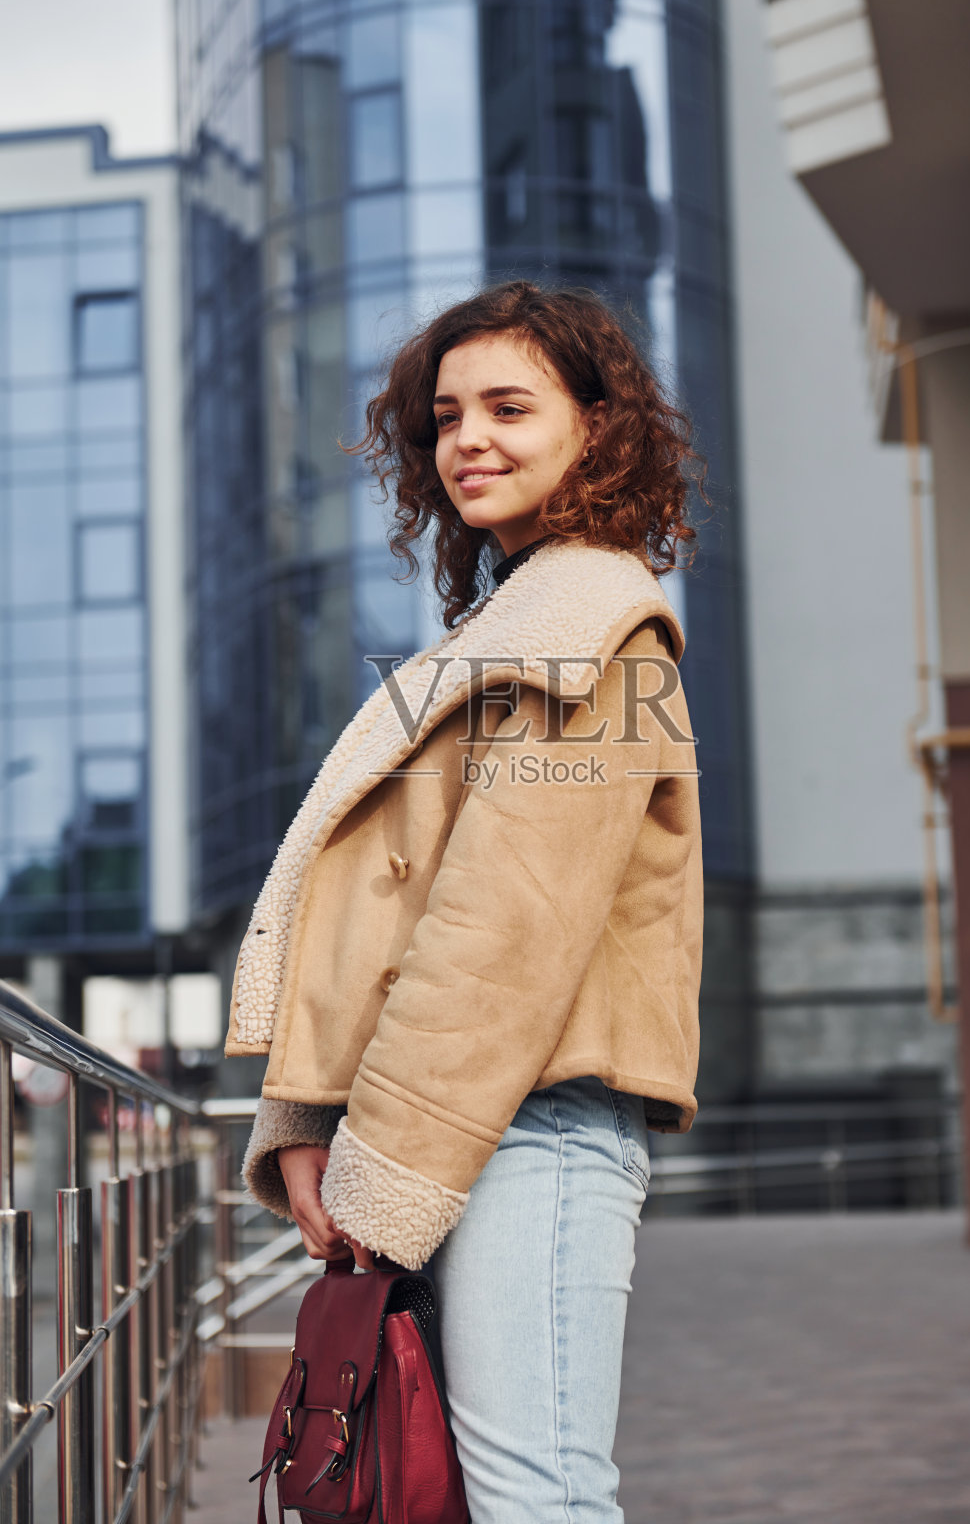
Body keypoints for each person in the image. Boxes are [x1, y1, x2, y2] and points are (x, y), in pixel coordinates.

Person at [228, 279, 704, 1521]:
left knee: (531, 1495)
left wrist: (379, 1173)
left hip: (524, 1124)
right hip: (453, 1126)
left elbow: (505, 930)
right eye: (446, 416)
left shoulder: (594, 625)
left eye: (508, 406)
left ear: (596, 428)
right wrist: (299, 1120)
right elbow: (374, 916)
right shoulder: (504, 623)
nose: (469, 440)